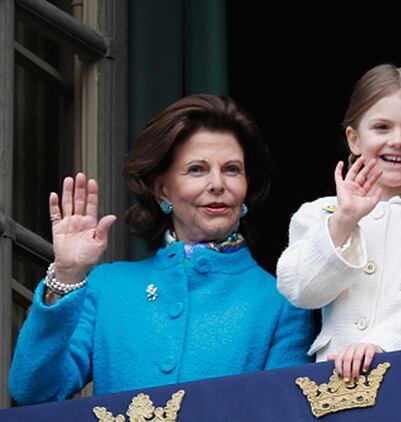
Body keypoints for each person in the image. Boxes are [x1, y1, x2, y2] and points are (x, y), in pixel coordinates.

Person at [9, 94, 314, 404]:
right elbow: (33, 390)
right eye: (197, 169)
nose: (218, 184)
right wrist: (68, 272)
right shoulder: (109, 287)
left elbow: (283, 411)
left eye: (232, 169)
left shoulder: (281, 302)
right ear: (162, 189)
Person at [277, 64, 401, 381]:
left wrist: (379, 343)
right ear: (354, 139)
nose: (398, 141)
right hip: (331, 379)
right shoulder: (320, 213)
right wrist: (344, 220)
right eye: (381, 127)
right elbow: (300, 290)